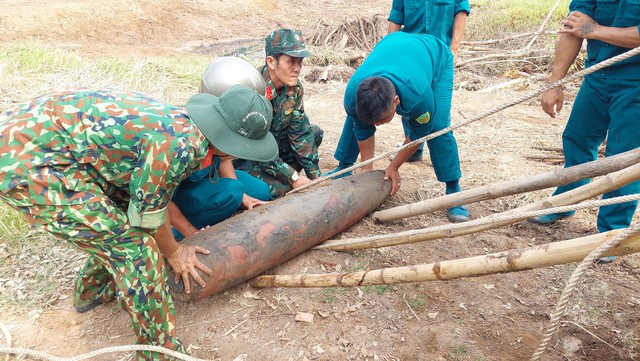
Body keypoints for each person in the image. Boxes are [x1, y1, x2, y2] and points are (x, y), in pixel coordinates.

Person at [0, 85, 277, 360]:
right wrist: (175, 252)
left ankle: (92, 291)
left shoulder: (185, 128)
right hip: (29, 161)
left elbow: (148, 197)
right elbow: (149, 218)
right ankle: (160, 353)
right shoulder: (181, 145)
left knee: (117, 226)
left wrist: (179, 237)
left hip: (58, 150)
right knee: (137, 249)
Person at [530, 1, 640, 263]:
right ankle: (568, 201)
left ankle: (612, 232)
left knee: (622, 156)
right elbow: (573, 28)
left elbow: (586, 28)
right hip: (597, 74)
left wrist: (595, 30)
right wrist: (555, 82)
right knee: (577, 137)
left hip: (635, 81)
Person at [326, 32, 470, 222]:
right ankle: (344, 166)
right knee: (358, 117)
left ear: (396, 101)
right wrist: (366, 169)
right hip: (395, 45)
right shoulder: (353, 92)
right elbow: (361, 126)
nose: (376, 126)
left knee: (437, 127)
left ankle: (453, 190)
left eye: (381, 120)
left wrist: (394, 167)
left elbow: (419, 134)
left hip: (435, 56)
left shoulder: (418, 96)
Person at [234, 28, 324, 199]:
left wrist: (316, 177)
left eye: (300, 62)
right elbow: (256, 146)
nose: (297, 69)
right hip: (246, 156)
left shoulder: (294, 88)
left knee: (315, 133)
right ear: (271, 61)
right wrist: (292, 176)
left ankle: (280, 174)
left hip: (273, 150)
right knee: (280, 191)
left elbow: (300, 132)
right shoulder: (253, 90)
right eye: (291, 62)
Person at [387, 0, 469, 164]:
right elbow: (396, 17)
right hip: (410, 56)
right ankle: (414, 150)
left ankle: (446, 169)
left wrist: (454, 47)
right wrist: (389, 50)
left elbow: (461, 9)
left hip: (441, 58)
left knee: (439, 119)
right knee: (409, 105)